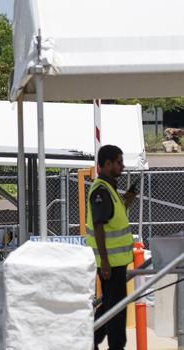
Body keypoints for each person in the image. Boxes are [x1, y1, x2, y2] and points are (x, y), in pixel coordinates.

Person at [86, 145, 137, 350]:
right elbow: (99, 226)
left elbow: (112, 218)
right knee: (115, 309)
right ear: (107, 164)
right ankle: (111, 344)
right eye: (119, 162)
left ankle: (90, 339)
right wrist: (105, 262)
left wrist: (128, 202)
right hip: (110, 264)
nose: (122, 166)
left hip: (116, 262)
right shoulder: (101, 189)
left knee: (112, 305)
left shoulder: (110, 187)